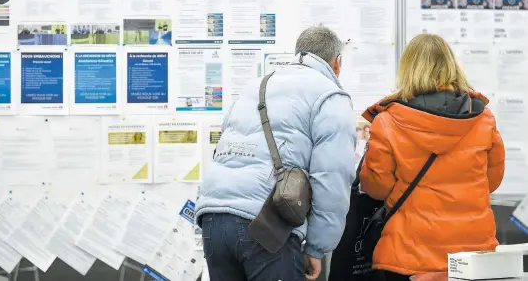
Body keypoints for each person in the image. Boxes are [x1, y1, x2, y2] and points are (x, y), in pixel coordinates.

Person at [196, 26, 356, 281]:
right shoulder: (330, 96)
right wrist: (317, 247)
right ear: (337, 63)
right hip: (267, 224)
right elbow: (333, 178)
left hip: (212, 219)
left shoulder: (257, 85)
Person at [360, 34, 505, 281]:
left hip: (409, 255)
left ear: (408, 69)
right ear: (451, 66)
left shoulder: (388, 122)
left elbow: (377, 187)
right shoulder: (483, 119)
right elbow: (491, 181)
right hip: (472, 255)